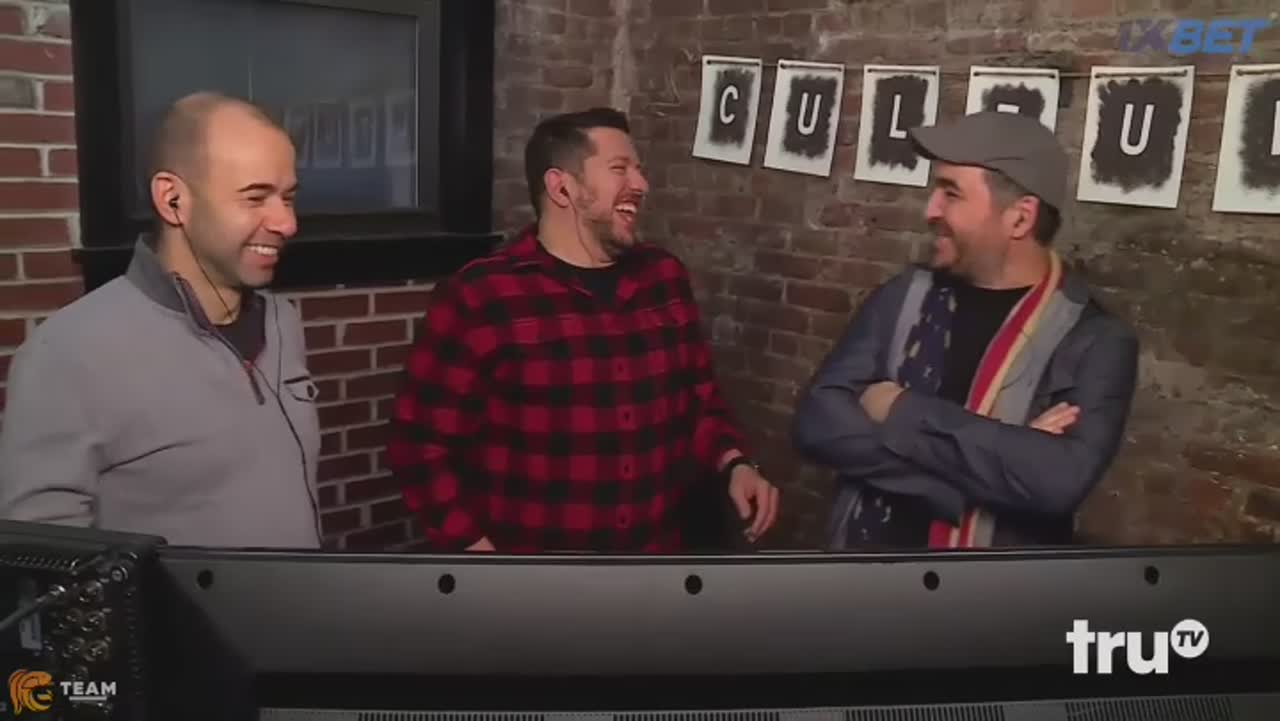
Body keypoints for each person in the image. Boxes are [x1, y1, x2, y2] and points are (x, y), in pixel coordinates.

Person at [387, 107, 779, 553]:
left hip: (655, 568)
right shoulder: (481, 296)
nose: (641, 184)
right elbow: (419, 444)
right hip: (534, 576)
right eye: (620, 169)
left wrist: (735, 463)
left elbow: (700, 402)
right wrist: (477, 553)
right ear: (562, 188)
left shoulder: (664, 279)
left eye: (638, 169)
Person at [792, 111, 1139, 550]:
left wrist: (898, 407)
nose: (930, 210)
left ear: (1019, 218)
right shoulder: (904, 296)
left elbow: (1055, 482)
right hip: (864, 570)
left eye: (951, 193)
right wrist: (974, 473)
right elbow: (817, 422)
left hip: (985, 593)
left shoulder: (1096, 340)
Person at [0, 92, 322, 548]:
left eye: (288, 198)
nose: (286, 223)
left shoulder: (282, 322)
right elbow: (45, 554)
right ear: (173, 200)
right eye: (256, 197)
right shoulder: (69, 352)